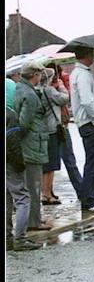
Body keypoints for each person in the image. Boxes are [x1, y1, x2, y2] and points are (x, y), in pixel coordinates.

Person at [69, 47, 94, 212]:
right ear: (87, 55)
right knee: (93, 163)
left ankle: (90, 196)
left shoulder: (78, 74)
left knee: (92, 162)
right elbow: (87, 101)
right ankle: (89, 200)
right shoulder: (83, 75)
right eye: (92, 53)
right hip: (91, 124)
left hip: (86, 123)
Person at [13, 60, 52, 231]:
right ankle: (33, 222)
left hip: (30, 143)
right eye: (39, 74)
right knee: (33, 186)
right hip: (32, 145)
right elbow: (24, 123)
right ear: (34, 75)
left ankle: (35, 218)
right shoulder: (29, 94)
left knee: (30, 185)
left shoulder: (21, 89)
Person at [40, 67, 83, 205]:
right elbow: (64, 98)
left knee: (48, 164)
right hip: (56, 129)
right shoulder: (50, 90)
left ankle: (47, 192)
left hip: (46, 130)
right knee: (56, 163)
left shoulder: (39, 91)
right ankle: (47, 194)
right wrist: (62, 86)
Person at [6, 99, 41, 251]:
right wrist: (20, 165)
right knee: (22, 198)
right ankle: (20, 238)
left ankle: (7, 237)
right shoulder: (10, 115)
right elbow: (12, 142)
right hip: (10, 162)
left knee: (7, 199)